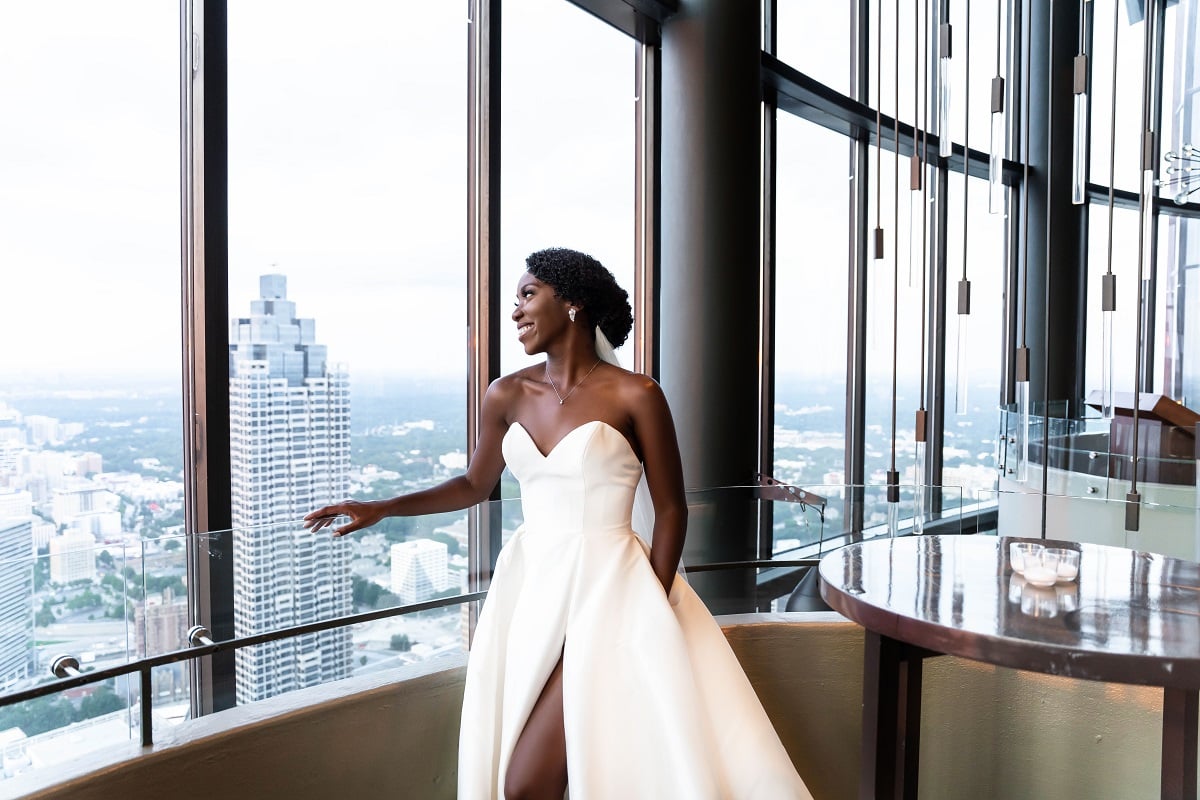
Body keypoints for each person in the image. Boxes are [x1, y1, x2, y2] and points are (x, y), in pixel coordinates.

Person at [305, 247, 811, 799]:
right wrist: (381, 508)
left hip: (613, 592)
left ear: (571, 304)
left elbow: (671, 510)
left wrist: (649, 601)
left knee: (530, 782)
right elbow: (474, 485)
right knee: (540, 770)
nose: (516, 311)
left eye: (528, 295)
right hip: (530, 591)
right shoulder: (507, 393)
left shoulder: (636, 394)